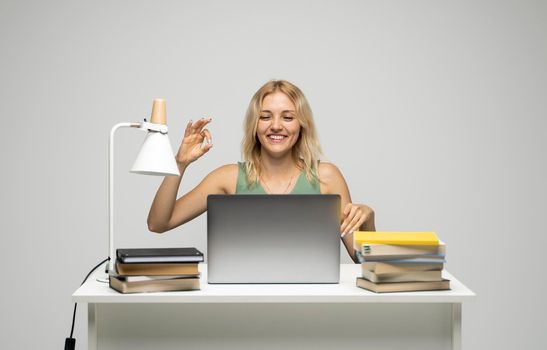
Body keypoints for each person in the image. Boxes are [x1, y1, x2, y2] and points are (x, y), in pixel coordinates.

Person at [147, 80, 375, 263]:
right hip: (243, 301)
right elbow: (158, 224)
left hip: (311, 301)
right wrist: (179, 163)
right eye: (265, 117)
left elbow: (364, 259)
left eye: (287, 117)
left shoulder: (327, 177)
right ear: (254, 126)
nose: (276, 125)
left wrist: (368, 218)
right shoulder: (228, 178)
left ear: (301, 125)